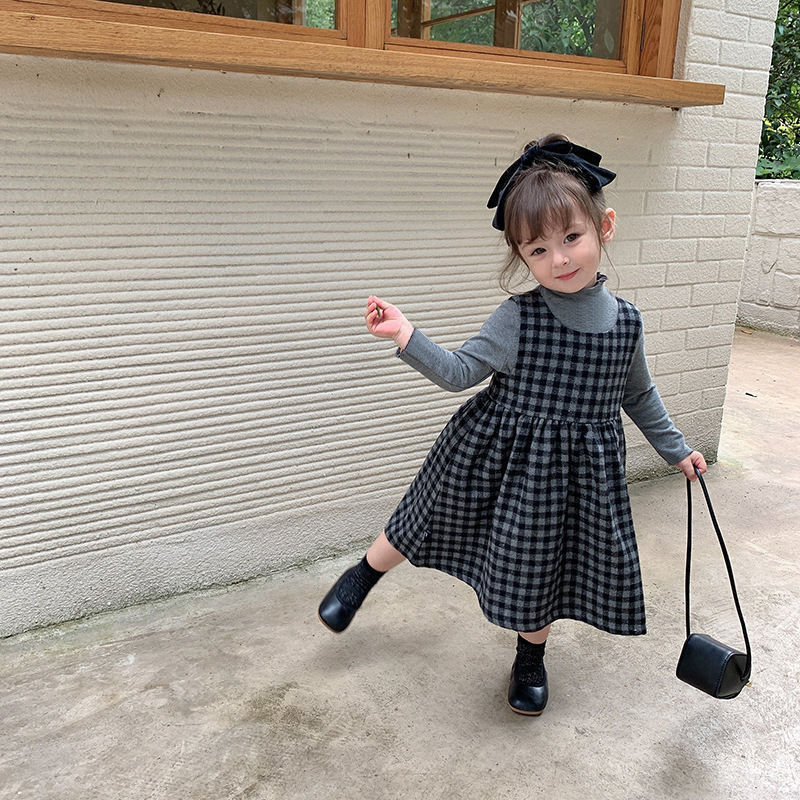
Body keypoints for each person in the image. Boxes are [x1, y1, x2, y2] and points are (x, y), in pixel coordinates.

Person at [317, 134, 707, 716]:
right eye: (538, 249)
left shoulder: (627, 324)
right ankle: (362, 576)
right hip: (494, 454)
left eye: (571, 237)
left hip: (572, 476)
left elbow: (638, 394)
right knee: (427, 514)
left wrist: (677, 450)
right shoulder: (518, 317)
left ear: (604, 227)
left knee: (542, 563)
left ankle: (530, 656)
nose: (559, 259)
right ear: (523, 257)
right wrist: (406, 334)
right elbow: (459, 372)